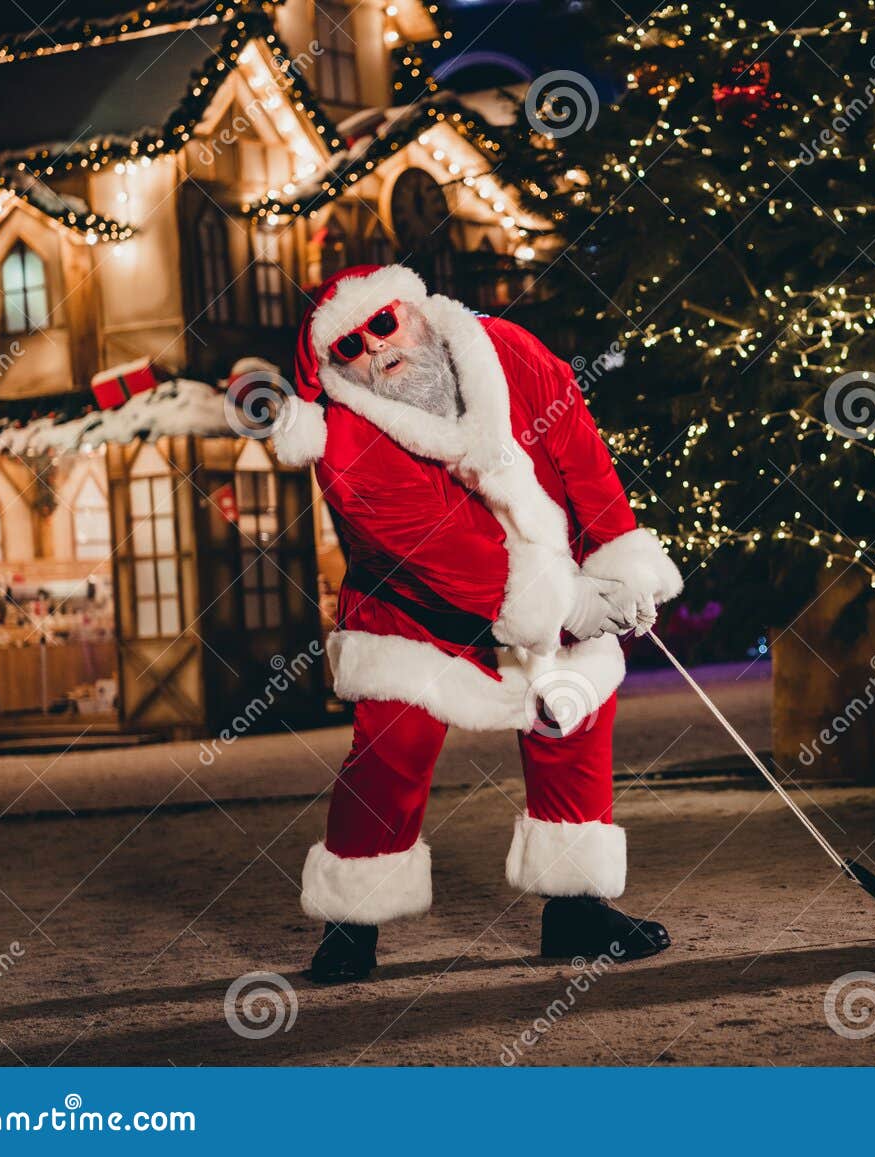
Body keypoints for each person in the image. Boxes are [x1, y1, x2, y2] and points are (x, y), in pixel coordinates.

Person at [271, 264, 683, 984]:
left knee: (572, 712)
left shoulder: (507, 349)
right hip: (414, 609)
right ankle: (352, 923)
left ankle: (576, 911)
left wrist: (617, 563)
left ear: (413, 310)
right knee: (391, 755)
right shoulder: (346, 448)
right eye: (349, 348)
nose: (374, 348)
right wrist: (569, 603)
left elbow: (579, 453)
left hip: (546, 569)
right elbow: (445, 553)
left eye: (382, 324)